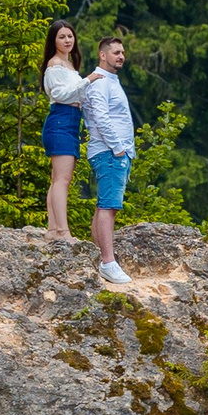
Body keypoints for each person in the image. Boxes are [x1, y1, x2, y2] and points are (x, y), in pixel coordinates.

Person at [79, 35, 136, 285]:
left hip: (113, 153)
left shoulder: (111, 81)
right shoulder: (101, 82)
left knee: (104, 205)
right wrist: (119, 149)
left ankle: (99, 257)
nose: (121, 56)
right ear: (103, 55)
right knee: (108, 207)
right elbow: (100, 118)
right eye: (116, 52)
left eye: (122, 52)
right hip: (110, 152)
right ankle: (108, 262)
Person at [39, 21, 96, 237]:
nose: (67, 41)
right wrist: (87, 80)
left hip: (70, 122)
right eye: (62, 37)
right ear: (53, 40)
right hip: (61, 121)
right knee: (62, 180)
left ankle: (53, 229)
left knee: (57, 179)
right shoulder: (54, 66)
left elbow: (74, 94)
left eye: (70, 36)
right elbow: (61, 95)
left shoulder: (69, 65)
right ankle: (63, 231)